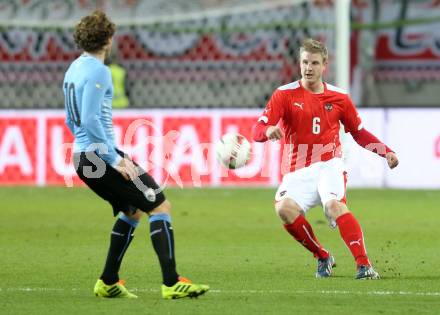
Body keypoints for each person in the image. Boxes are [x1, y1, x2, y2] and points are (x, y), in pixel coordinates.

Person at [63, 10, 209, 299]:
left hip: (85, 156)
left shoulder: (74, 69)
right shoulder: (98, 71)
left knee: (134, 210)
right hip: (99, 157)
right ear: (108, 40)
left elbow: (72, 120)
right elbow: (91, 120)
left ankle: (108, 281)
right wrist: (115, 160)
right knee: (160, 206)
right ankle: (171, 282)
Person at [252, 38, 399, 280]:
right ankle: (322, 256)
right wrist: (267, 131)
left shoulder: (340, 97)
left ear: (324, 65)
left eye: (314, 63)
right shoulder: (284, 95)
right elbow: (258, 129)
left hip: (330, 164)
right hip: (297, 169)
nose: (308, 68)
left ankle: (364, 266)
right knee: (284, 210)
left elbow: (359, 132)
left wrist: (386, 151)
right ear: (299, 64)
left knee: (334, 206)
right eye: (304, 62)